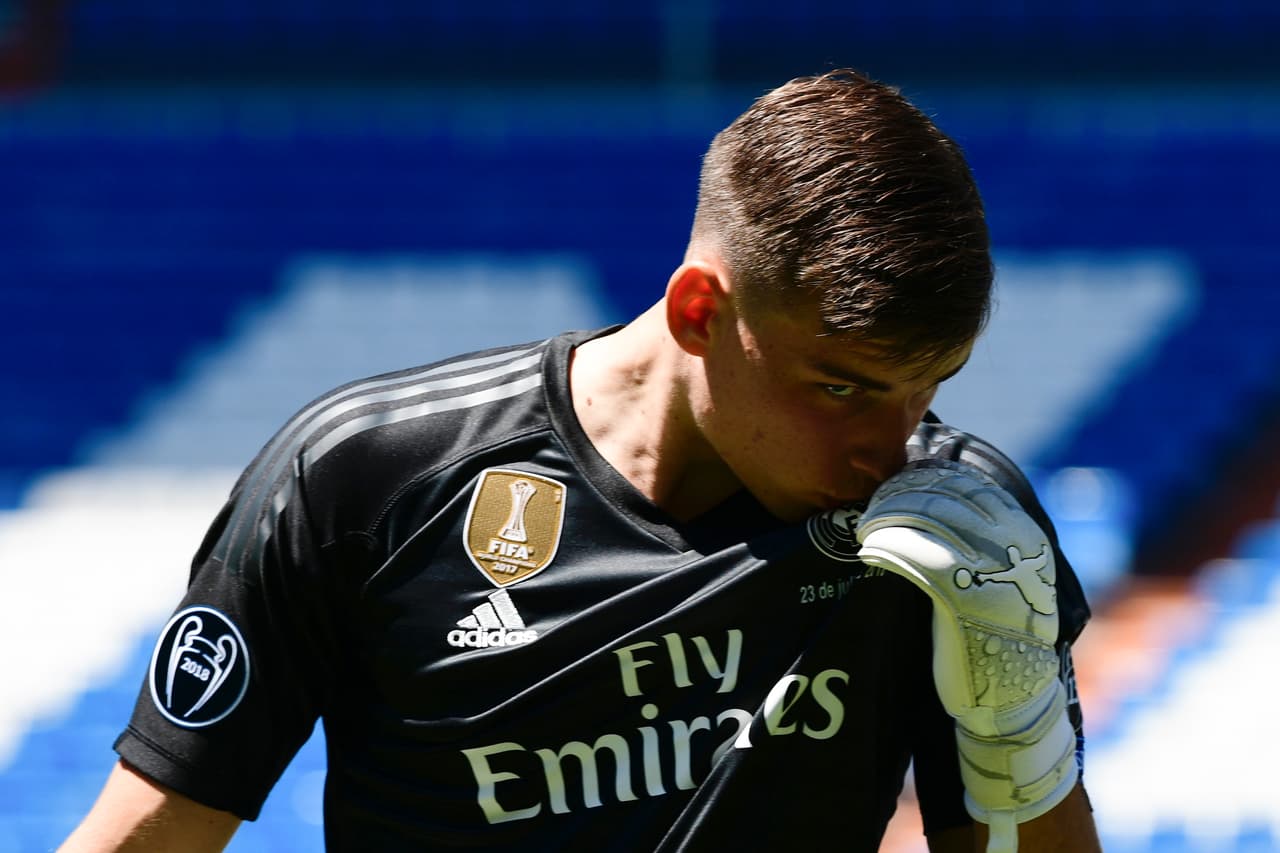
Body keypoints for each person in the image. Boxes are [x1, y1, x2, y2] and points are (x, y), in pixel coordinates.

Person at [61, 69, 1102, 852]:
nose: (892, 444)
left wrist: (1020, 739)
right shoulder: (368, 480)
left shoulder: (951, 534)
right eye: (842, 387)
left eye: (930, 385)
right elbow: (150, 832)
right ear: (699, 310)